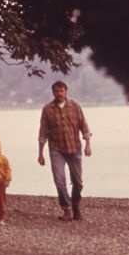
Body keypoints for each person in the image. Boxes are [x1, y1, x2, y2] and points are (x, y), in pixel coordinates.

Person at [38, 80, 92, 221]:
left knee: (78, 182)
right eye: (56, 91)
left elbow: (84, 126)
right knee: (59, 180)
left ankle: (75, 205)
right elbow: (43, 132)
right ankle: (66, 209)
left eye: (61, 91)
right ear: (53, 92)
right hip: (56, 149)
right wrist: (40, 154)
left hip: (74, 148)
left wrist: (88, 145)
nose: (59, 94)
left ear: (66, 91)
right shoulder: (47, 109)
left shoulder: (75, 106)